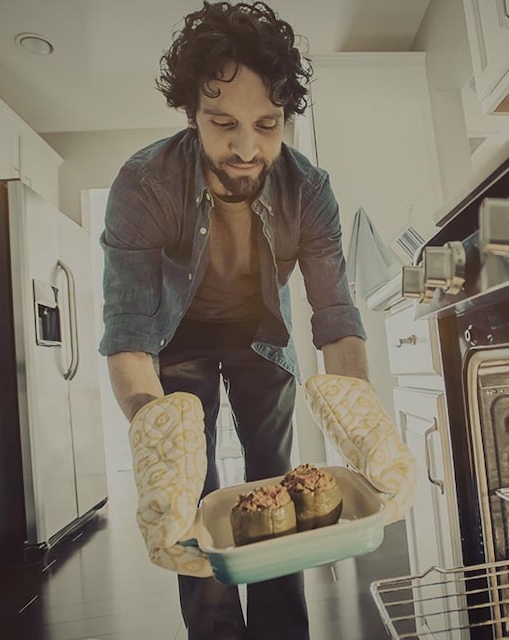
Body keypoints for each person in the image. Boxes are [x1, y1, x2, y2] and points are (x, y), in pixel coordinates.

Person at [98, 2, 410, 639]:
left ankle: (281, 631)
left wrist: (369, 433)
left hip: (264, 340)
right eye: (223, 123)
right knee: (195, 491)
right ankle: (213, 631)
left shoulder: (310, 189)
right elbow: (128, 329)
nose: (246, 148)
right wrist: (160, 453)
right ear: (192, 114)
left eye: (267, 125)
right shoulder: (143, 183)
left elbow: (334, 315)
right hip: (173, 337)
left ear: (285, 119)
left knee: (280, 479)